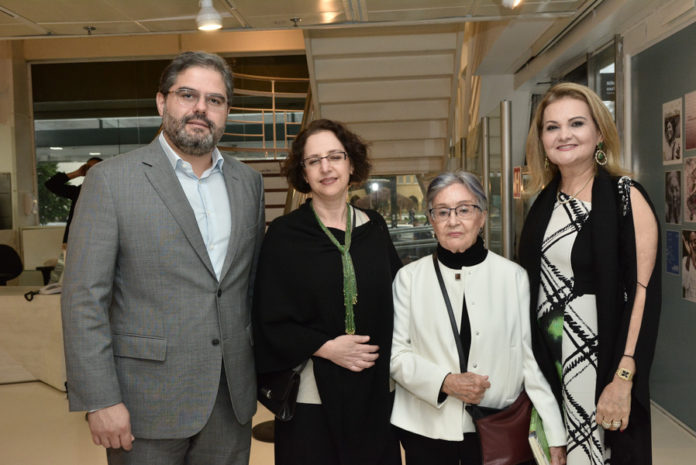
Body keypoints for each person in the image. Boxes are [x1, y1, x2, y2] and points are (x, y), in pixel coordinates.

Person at [61, 51, 265, 465]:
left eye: (215, 100)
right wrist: (99, 399)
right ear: (161, 102)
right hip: (144, 403)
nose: (200, 109)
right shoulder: (111, 180)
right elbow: (84, 298)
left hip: (230, 399)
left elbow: (247, 286)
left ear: (226, 111)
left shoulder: (248, 182)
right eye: (187, 95)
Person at [519, 82, 660, 465]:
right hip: (550, 369)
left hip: (601, 365)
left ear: (599, 132)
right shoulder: (542, 203)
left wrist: (624, 377)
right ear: (542, 139)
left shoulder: (624, 196)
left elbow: (642, 294)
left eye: (576, 123)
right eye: (552, 127)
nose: (564, 135)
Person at [390, 171, 567, 465]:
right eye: (442, 212)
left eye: (464, 209)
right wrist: (445, 381)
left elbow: (528, 358)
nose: (453, 220)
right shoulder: (409, 278)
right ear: (431, 220)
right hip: (426, 429)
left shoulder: (512, 277)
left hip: (498, 425)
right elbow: (397, 355)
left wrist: (555, 432)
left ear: (482, 216)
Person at [253, 119, 402, 465]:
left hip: (375, 391)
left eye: (335, 156)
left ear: (351, 164)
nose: (326, 167)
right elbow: (268, 319)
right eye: (314, 160)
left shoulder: (375, 228)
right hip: (312, 397)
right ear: (303, 173)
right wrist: (326, 347)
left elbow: (399, 299)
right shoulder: (285, 235)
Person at [44, 156, 102, 245]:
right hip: (77, 239)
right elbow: (51, 184)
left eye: (96, 168)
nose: (92, 171)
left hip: (100, 238)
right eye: (89, 168)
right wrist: (77, 173)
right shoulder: (79, 192)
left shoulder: (110, 192)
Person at [682, 231, 696, 301]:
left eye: (695, 241)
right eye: (691, 242)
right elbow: (685, 284)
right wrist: (690, 257)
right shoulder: (685, 261)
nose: (693, 245)